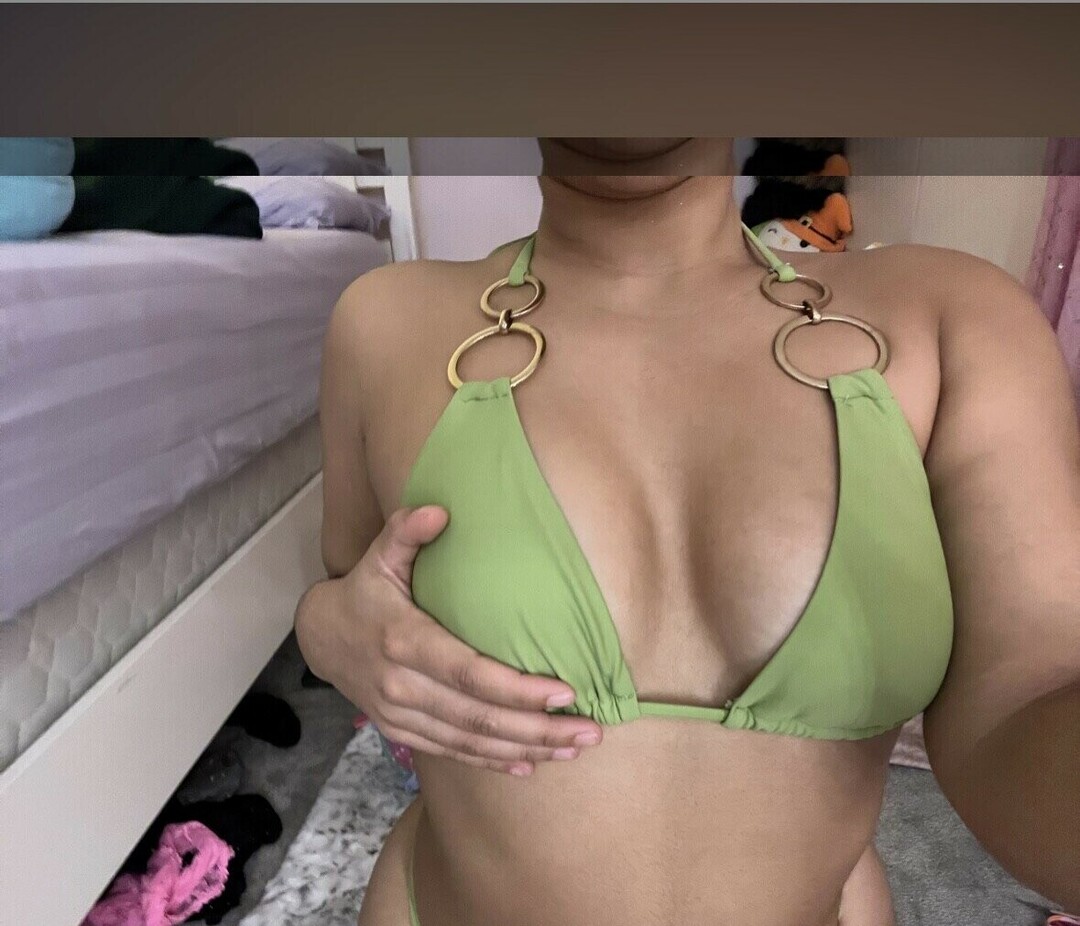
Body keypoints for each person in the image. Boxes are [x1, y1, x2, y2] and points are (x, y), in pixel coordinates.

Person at [295, 138, 1080, 926]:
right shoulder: (381, 319)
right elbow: (354, 588)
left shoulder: (956, 320)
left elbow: (1029, 689)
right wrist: (323, 629)